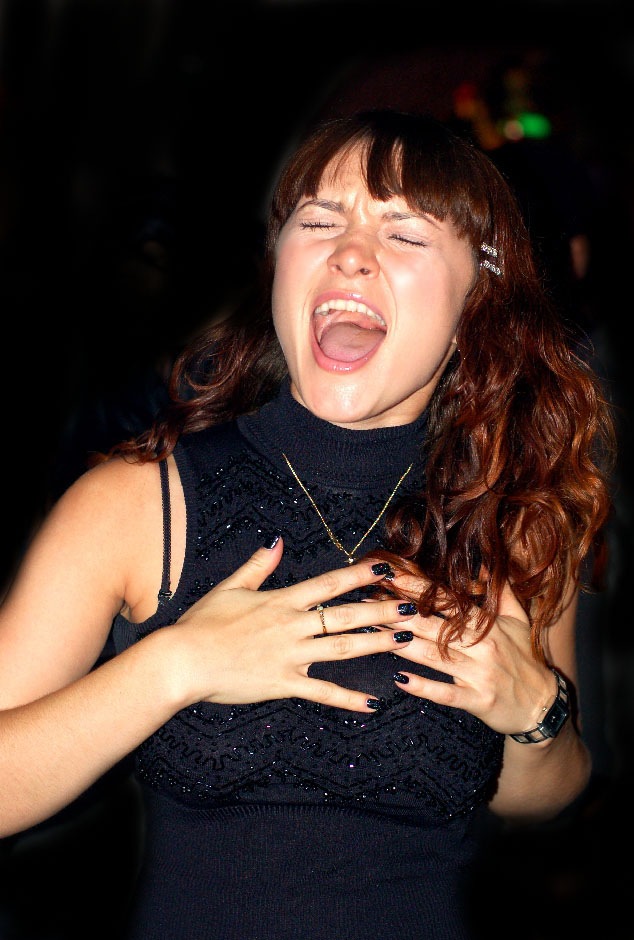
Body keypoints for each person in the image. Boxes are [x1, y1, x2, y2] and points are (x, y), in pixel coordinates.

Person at [0, 108, 615, 940]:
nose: (351, 252)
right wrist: (175, 665)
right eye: (320, 221)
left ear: (477, 296)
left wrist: (537, 710)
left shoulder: (512, 523)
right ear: (279, 263)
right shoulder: (135, 503)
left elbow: (542, 792)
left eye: (404, 234)